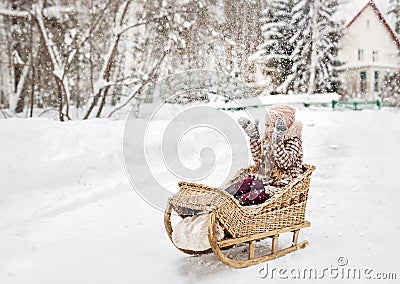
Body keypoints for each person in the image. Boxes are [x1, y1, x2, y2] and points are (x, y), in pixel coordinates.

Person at [225, 104, 303, 206]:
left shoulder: (293, 141)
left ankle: (233, 206)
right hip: (266, 181)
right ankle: (222, 197)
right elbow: (259, 161)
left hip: (282, 187)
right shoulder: (268, 140)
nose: (270, 129)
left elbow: (285, 163)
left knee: (246, 198)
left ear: (286, 127)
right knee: (244, 184)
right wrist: (254, 138)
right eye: (267, 125)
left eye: (274, 126)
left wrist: (277, 142)